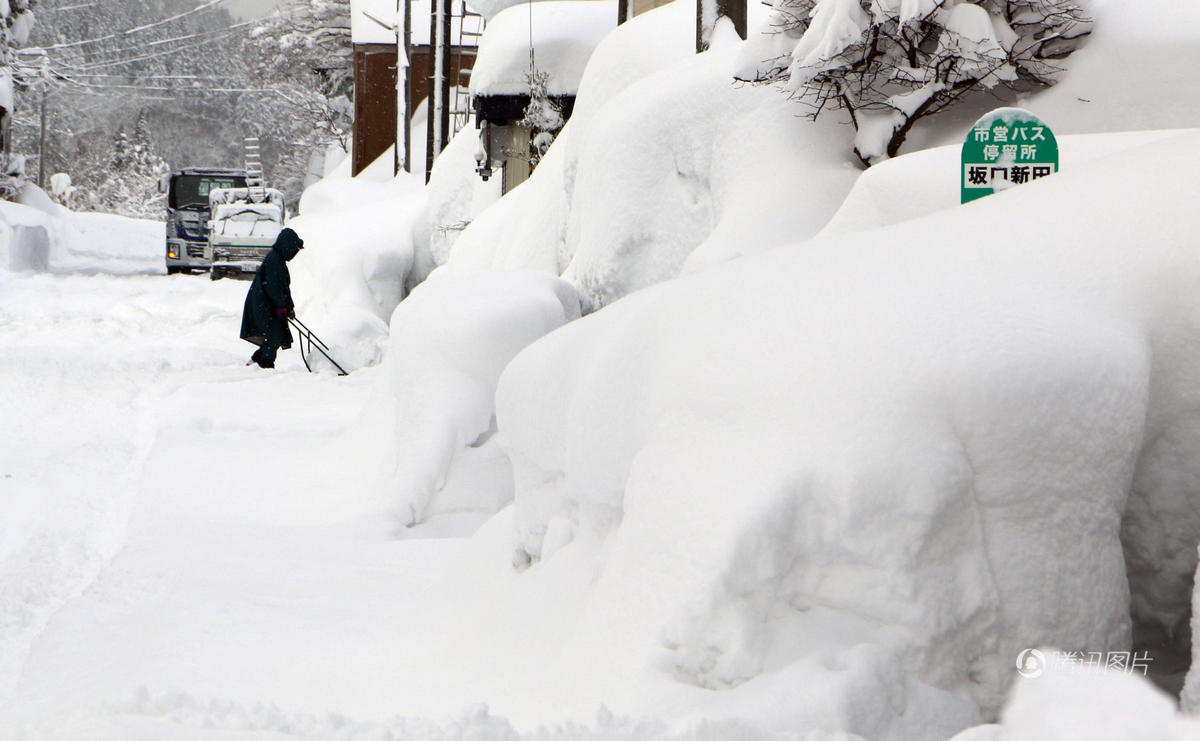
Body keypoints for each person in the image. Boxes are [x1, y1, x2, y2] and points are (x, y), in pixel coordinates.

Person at [241, 227, 304, 368]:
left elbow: (283, 289)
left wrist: (289, 306)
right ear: (287, 246)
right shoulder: (274, 260)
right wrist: (281, 306)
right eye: (294, 249)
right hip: (265, 306)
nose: (295, 253)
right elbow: (274, 287)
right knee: (273, 335)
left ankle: (258, 360)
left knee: (273, 336)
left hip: (270, 305)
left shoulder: (278, 260)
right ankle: (264, 363)